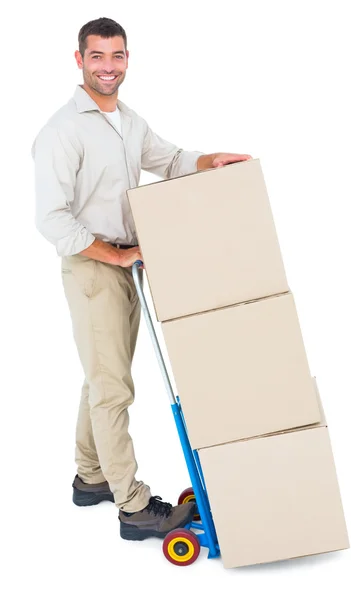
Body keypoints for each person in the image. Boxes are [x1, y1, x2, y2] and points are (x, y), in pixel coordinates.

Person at [31, 16, 252, 542]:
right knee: (113, 388)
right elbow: (51, 219)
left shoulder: (127, 121)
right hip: (94, 269)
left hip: (126, 264)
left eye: (117, 56)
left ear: (128, 59)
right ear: (79, 59)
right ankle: (132, 507)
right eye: (98, 57)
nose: (108, 67)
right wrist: (113, 255)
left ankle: (91, 477)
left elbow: (168, 159)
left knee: (102, 378)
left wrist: (208, 160)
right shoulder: (62, 130)